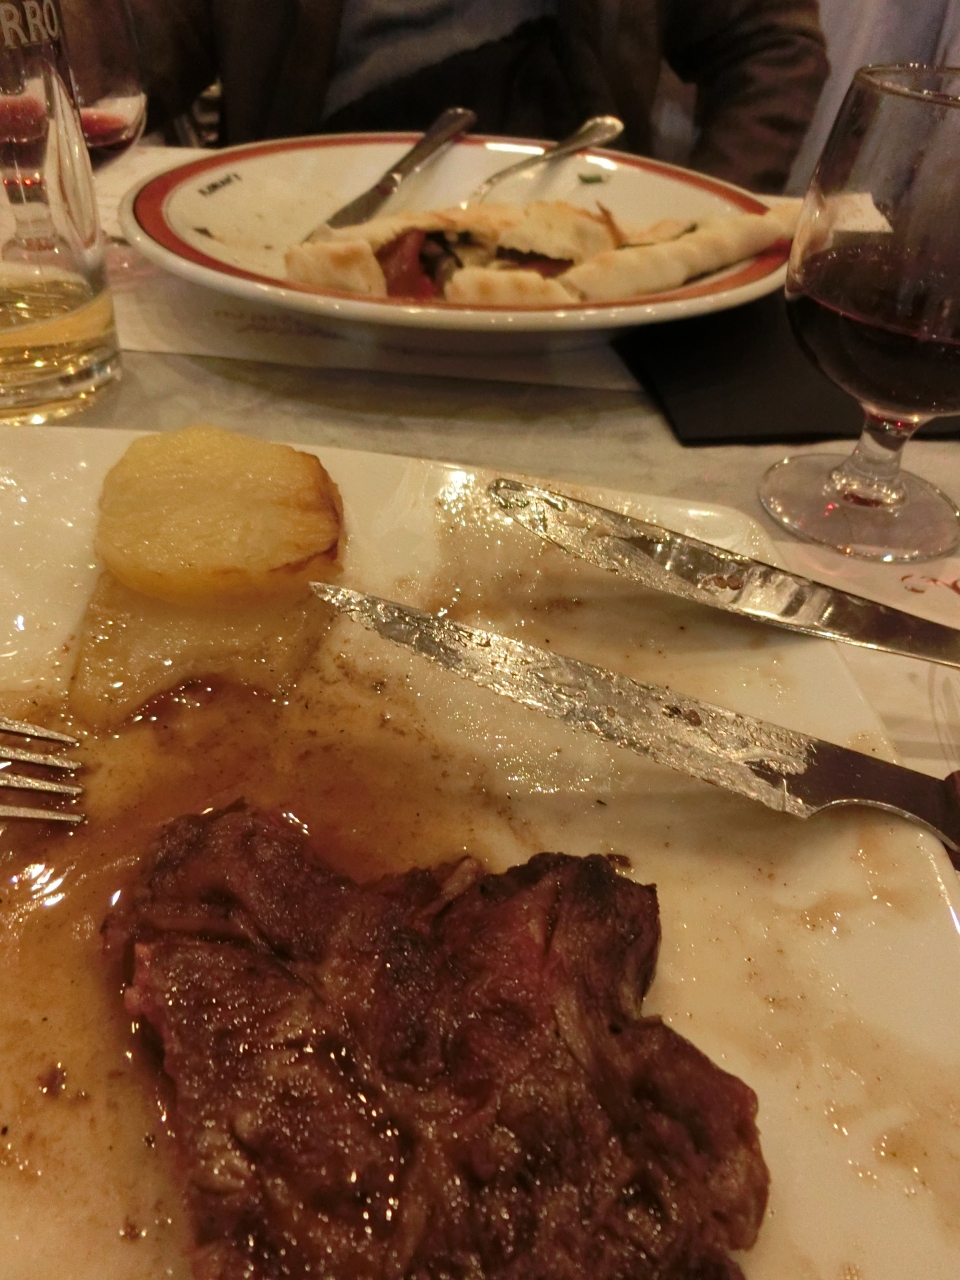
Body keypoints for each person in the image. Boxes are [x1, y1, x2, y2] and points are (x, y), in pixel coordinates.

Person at [128, 0, 828, 193]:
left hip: (578, 236)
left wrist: (703, 222)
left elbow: (772, 44)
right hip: (298, 235)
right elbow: (128, 56)